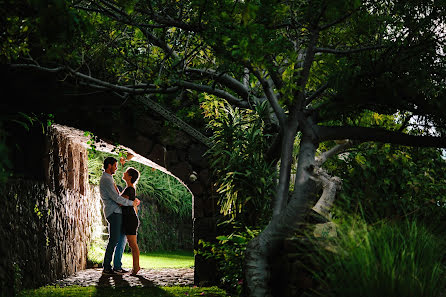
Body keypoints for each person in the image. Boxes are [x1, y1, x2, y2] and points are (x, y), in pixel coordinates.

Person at [100, 156, 140, 275]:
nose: (117, 168)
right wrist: (131, 203)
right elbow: (117, 199)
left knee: (121, 240)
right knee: (114, 240)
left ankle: (117, 266)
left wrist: (130, 201)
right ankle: (107, 267)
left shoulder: (109, 179)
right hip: (114, 212)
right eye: (115, 166)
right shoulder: (106, 179)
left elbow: (118, 196)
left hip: (119, 213)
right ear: (109, 166)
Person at [120, 167, 141, 275]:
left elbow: (120, 202)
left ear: (130, 177)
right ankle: (136, 267)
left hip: (130, 219)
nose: (124, 173)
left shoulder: (130, 189)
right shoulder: (130, 188)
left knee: (133, 244)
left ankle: (136, 267)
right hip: (130, 218)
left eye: (126, 172)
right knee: (132, 244)